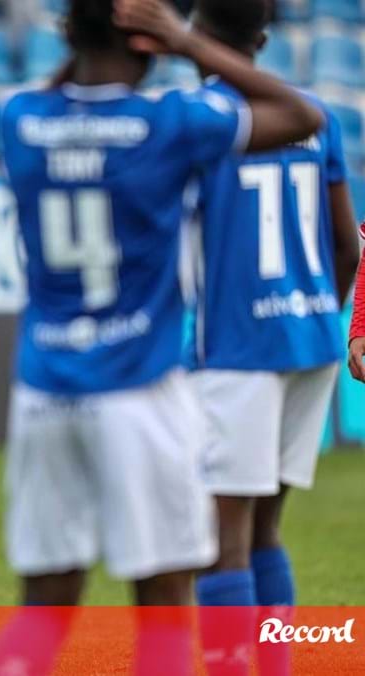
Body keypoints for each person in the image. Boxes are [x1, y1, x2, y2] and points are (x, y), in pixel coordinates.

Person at [0, 0, 323, 673]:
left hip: (45, 391)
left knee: (45, 601)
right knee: (165, 596)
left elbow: (63, 86)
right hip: (141, 388)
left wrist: (86, 35)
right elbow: (301, 114)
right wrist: (184, 42)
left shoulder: (18, 119)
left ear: (69, 37)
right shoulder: (168, 123)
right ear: (146, 44)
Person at [185, 2, 358, 674]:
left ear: (196, 36)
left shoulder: (198, 119)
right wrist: (314, 312)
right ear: (261, 39)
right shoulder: (318, 116)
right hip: (310, 340)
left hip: (241, 346)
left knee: (222, 538)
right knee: (265, 529)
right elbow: (347, 245)